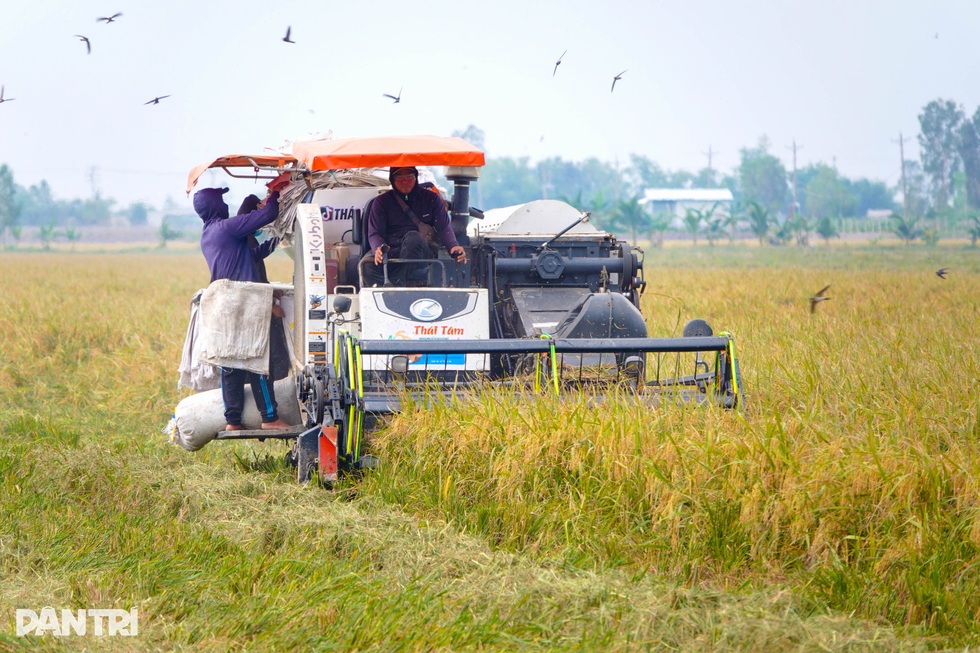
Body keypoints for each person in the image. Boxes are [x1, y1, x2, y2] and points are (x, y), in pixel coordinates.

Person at [194, 183, 291, 431]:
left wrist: (276, 241)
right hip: (242, 304)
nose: (226, 204)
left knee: (231, 364)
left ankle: (233, 421)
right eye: (221, 200)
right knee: (255, 358)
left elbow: (251, 256)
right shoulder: (226, 228)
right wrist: (277, 194)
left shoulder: (209, 233)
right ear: (214, 205)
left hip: (224, 306)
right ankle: (269, 418)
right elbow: (267, 215)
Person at [363, 166, 467, 286]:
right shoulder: (381, 202)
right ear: (392, 179)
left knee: (413, 238)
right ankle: (390, 289)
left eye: (409, 177)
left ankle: (396, 286)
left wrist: (453, 246)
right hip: (391, 249)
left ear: (416, 177)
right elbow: (375, 232)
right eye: (399, 177)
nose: (405, 181)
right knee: (366, 266)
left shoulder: (431, 199)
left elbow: (444, 227)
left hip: (421, 250)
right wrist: (378, 248)